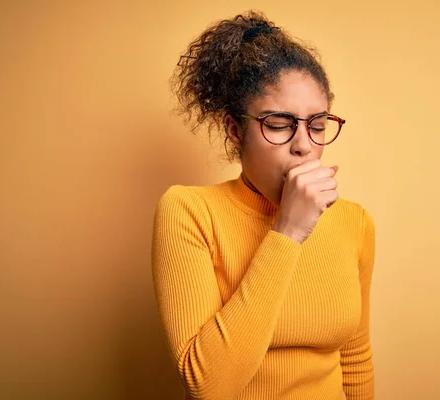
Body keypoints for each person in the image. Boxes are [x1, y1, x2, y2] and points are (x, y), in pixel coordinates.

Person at [151, 10, 376, 400]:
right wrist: (287, 232)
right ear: (236, 131)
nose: (304, 144)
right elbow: (208, 386)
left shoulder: (353, 221)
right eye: (279, 124)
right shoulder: (189, 212)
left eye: (317, 125)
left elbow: (355, 359)